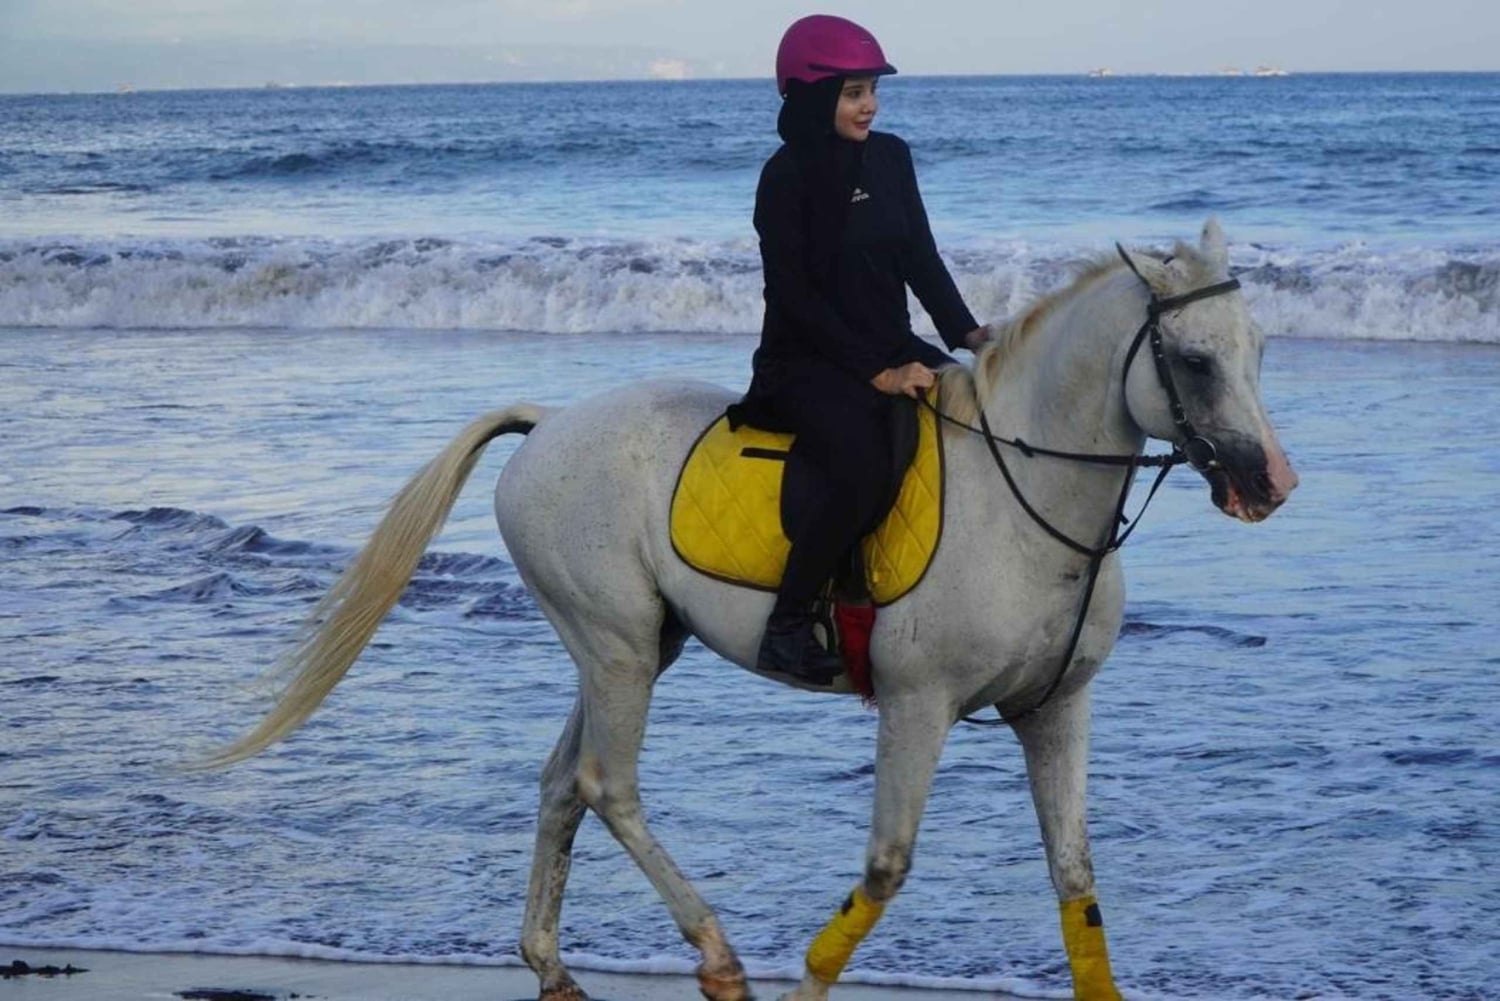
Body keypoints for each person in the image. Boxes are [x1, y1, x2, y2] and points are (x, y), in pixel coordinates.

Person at [728, 14, 989, 684]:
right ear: (815, 97)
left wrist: (970, 335)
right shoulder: (783, 178)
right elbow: (795, 298)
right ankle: (787, 626)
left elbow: (920, 260)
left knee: (977, 411)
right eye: (852, 91)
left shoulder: (891, 156)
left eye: (872, 89)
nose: (868, 103)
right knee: (865, 461)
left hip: (891, 341)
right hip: (803, 359)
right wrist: (877, 372)